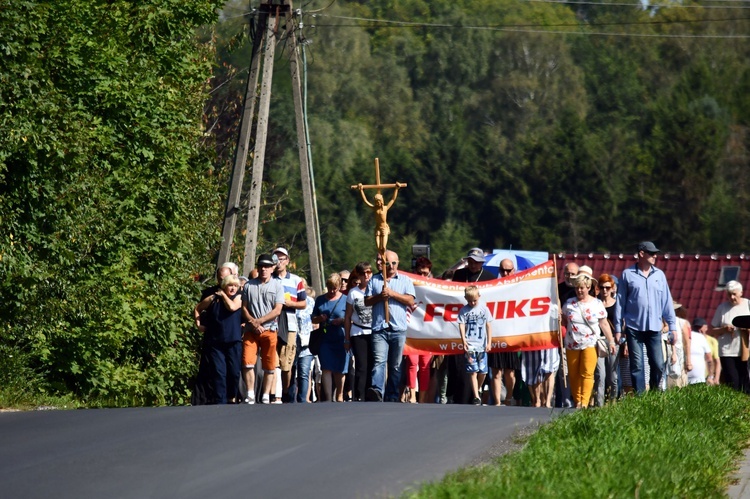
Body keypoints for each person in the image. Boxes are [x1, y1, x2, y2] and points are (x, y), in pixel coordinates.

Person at [614, 241, 677, 394]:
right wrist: (618, 328)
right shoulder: (627, 274)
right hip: (633, 326)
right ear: (641, 254)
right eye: (651, 253)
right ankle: (640, 396)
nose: (655, 256)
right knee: (637, 365)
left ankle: (655, 393)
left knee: (657, 363)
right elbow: (620, 302)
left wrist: (672, 326)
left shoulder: (659, 275)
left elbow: (667, 301)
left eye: (655, 253)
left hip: (655, 326)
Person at [365, 250, 416, 402]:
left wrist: (392, 294)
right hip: (380, 328)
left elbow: (411, 301)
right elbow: (367, 301)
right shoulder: (374, 280)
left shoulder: (405, 280)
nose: (392, 266)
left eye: (394, 263)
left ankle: (392, 394)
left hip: (398, 329)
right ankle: (377, 391)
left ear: (398, 263)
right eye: (389, 263)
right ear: (383, 264)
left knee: (395, 365)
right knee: (379, 361)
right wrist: (380, 296)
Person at [562, 268, 616, 408]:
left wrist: (611, 341)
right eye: (577, 288)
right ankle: (577, 400)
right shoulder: (569, 304)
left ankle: (584, 402)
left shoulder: (596, 304)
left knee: (587, 373)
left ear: (588, 287)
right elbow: (563, 321)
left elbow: (604, 323)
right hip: (572, 343)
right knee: (573, 374)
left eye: (582, 288)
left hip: (590, 343)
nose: (579, 291)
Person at [193, 274, 243, 404]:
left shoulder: (239, 297)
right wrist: (198, 324)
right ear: (224, 286)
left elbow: (232, 307)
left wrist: (223, 295)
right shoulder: (212, 298)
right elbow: (198, 308)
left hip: (233, 340)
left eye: (235, 286)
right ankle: (221, 401)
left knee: (234, 372)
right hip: (216, 341)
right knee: (219, 372)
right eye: (230, 285)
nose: (233, 288)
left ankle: (231, 396)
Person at [241, 253, 285, 404]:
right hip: (251, 330)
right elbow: (244, 308)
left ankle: (266, 394)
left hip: (270, 329)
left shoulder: (278, 286)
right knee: (247, 361)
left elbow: (277, 310)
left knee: (269, 364)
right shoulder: (248, 285)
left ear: (272, 268)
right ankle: (250, 393)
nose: (264, 269)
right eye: (261, 266)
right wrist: (253, 323)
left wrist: (259, 321)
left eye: (267, 266)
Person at [272, 247, 307, 403]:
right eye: (276, 259)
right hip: (271, 322)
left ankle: (286, 391)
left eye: (282, 259)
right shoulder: (269, 278)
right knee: (272, 361)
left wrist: (290, 303)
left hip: (290, 324)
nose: (279, 262)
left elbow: (304, 303)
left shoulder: (296, 280)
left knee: (287, 363)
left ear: (287, 261)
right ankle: (274, 394)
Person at [312, 273, 350, 402]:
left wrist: (342, 320)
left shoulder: (345, 299)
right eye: (330, 288)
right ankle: (328, 398)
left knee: (340, 369)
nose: (332, 291)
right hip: (325, 338)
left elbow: (351, 319)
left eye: (335, 288)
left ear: (340, 286)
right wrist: (320, 318)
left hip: (340, 337)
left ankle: (339, 394)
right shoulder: (320, 299)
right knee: (326, 368)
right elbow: (313, 318)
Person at [488, 259, 521, 406]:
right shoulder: (492, 286)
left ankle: (508, 398)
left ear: (514, 270)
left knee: (510, 372)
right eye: (503, 270)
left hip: (511, 334)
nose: (505, 273)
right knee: (496, 371)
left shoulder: (519, 286)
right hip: (496, 334)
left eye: (509, 270)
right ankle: (496, 402)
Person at [708, 280, 750, 393]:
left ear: (741, 293)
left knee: (745, 380)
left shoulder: (748, 305)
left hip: (745, 350)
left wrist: (745, 328)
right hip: (727, 351)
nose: (731, 297)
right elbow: (712, 330)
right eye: (729, 294)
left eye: (734, 294)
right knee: (732, 380)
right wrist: (724, 329)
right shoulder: (722, 308)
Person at [458, 286, 493, 405]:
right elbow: (461, 325)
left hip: (481, 345)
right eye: (469, 301)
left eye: (474, 300)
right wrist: (464, 341)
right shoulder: (464, 311)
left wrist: (489, 342)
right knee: (473, 371)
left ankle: (478, 387)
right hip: (470, 345)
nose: (472, 303)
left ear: (479, 297)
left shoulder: (484, 309)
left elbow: (488, 326)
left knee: (483, 371)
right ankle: (476, 396)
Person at [344, 262, 374, 401]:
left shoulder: (376, 289)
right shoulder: (353, 292)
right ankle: (359, 396)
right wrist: (347, 338)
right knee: (361, 366)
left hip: (374, 331)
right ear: (359, 276)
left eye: (369, 272)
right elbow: (348, 316)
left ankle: (371, 393)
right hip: (358, 332)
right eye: (363, 273)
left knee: (373, 364)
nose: (366, 276)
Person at [592, 273, 619, 405]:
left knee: (613, 376)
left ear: (613, 288)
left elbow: (621, 324)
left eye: (607, 288)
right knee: (600, 375)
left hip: (613, 340)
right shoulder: (594, 303)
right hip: (598, 340)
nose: (605, 290)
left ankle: (613, 403)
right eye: (602, 287)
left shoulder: (617, 304)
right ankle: (599, 405)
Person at [356, 183, 404, 256]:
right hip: (377, 228)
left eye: (378, 201)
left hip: (384, 228)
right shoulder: (374, 208)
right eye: (376, 201)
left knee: (383, 247)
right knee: (378, 247)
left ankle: (384, 254)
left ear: (381, 201)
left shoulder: (385, 208)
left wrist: (396, 189)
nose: (377, 203)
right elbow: (365, 201)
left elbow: (392, 199)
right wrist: (361, 190)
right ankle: (382, 256)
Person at [294, 280, 316, 402]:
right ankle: (291, 399)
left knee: (304, 372)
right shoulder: (289, 302)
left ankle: (302, 400)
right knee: (291, 372)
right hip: (292, 341)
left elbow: (314, 319)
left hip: (307, 342)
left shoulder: (310, 302)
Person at [687, 317, 714, 385]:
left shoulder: (684, 335)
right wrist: (711, 376)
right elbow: (709, 359)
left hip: (684, 373)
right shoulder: (702, 338)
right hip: (698, 376)